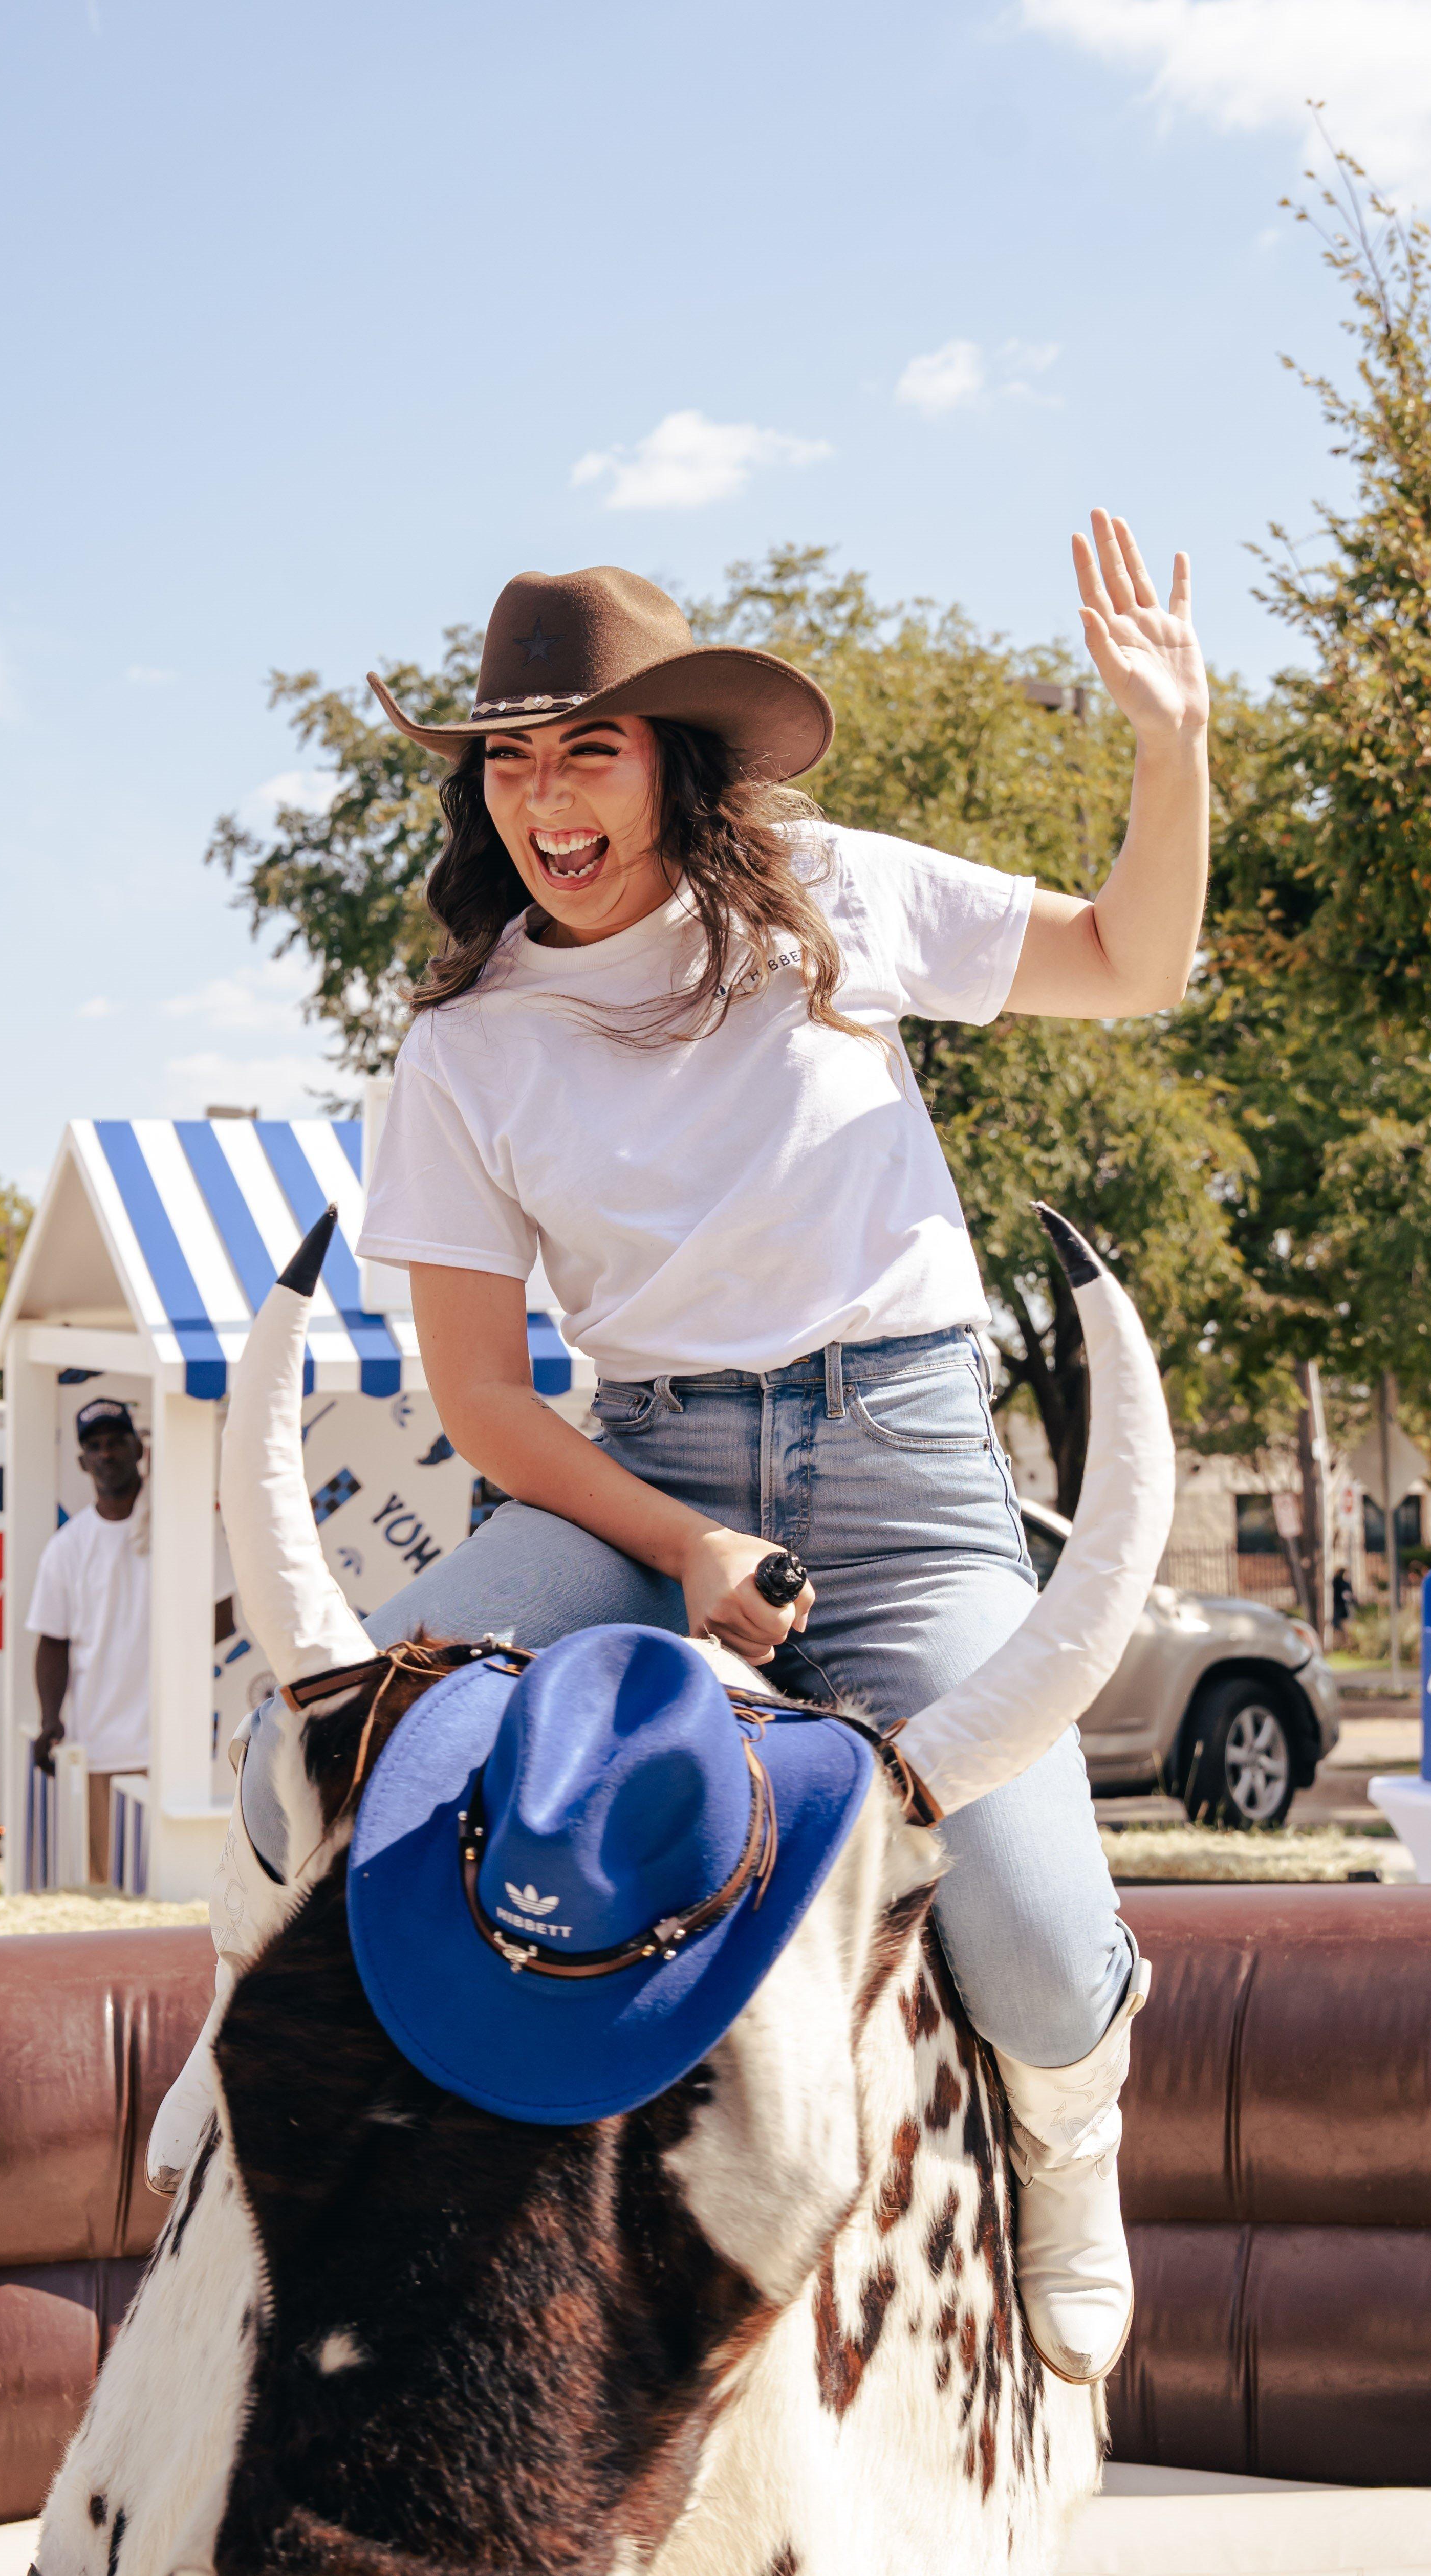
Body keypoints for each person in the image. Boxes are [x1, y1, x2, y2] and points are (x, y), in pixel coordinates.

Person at [299, 529, 1208, 2386]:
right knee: (326, 1738)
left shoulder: (822, 898)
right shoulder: (462, 1055)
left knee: (1035, 1947)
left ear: (670, 762)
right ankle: (281, 2196)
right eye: (508, 756)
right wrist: (687, 1544)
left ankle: (1065, 2145)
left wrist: (1165, 741)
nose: (543, 796)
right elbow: (483, 1402)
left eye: (585, 751)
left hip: (901, 1471)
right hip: (634, 1484)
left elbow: (1130, 961)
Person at [25, 1398, 150, 1884]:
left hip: (173, 1748)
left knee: (175, 1895)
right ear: (81, 1463)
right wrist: (49, 1720)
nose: (107, 1454)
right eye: (94, 1447)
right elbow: (52, 1641)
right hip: (99, 1744)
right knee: (108, 1889)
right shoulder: (68, 1546)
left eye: (116, 1442)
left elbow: (221, 1614)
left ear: (138, 1448)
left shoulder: (179, 1527)